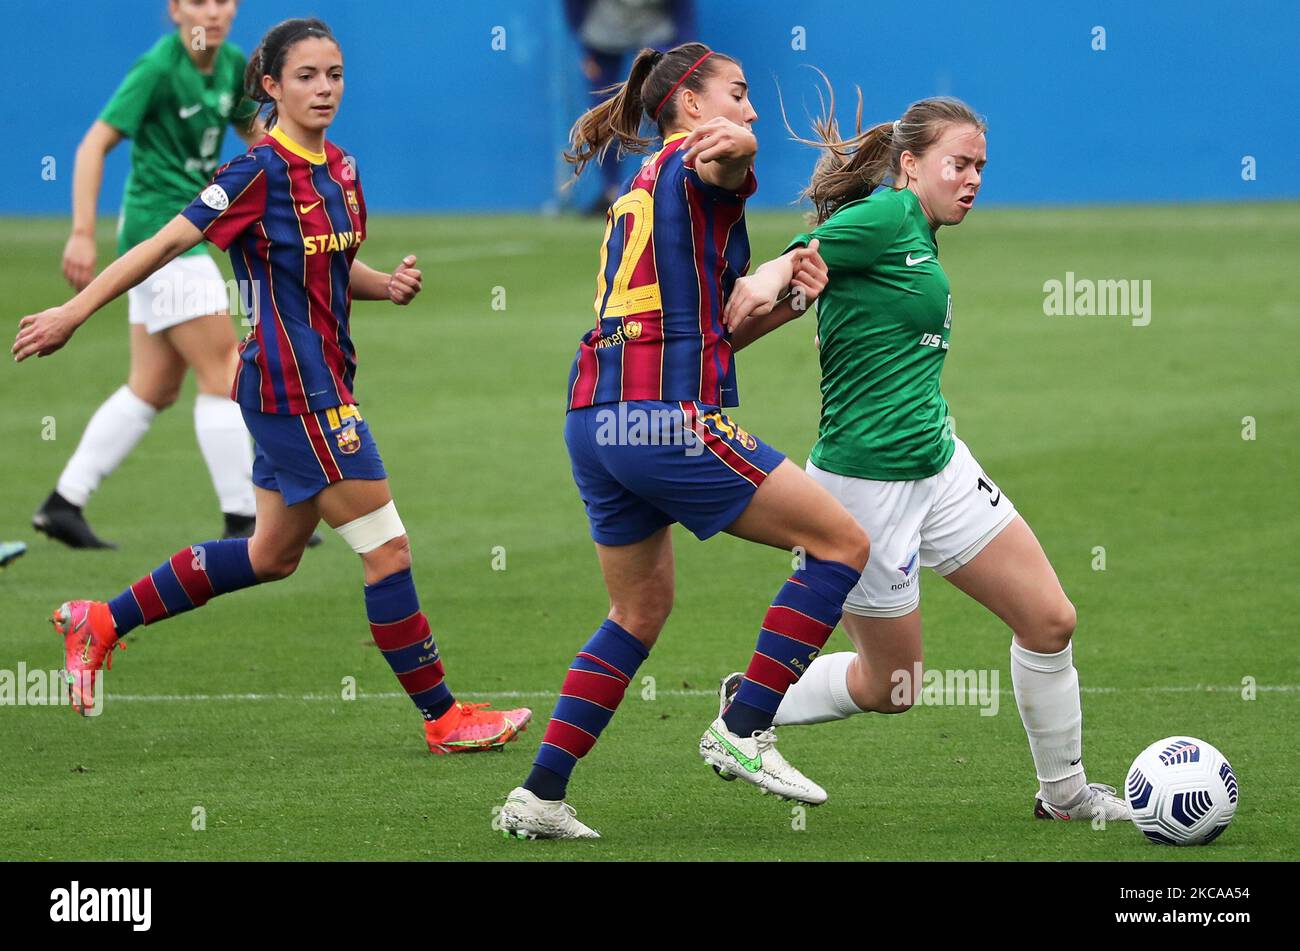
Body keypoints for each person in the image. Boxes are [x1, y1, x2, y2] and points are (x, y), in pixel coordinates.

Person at [13, 17, 530, 756]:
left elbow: (329, 264)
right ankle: (444, 717)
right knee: (387, 552)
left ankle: (99, 619)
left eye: (335, 74)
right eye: (307, 77)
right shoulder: (254, 173)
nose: (324, 89)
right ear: (270, 86)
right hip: (297, 392)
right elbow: (165, 242)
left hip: (309, 384)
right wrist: (73, 309)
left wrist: (388, 284)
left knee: (269, 556)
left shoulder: (342, 169)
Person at [720, 91, 1131, 823]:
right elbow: (800, 260)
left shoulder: (918, 230)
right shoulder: (884, 217)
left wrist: (787, 297)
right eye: (958, 164)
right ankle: (756, 702)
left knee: (1050, 620)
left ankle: (1065, 795)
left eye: (980, 167)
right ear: (910, 165)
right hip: (863, 489)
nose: (972, 179)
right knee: (893, 688)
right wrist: (765, 280)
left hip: (938, 466)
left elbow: (813, 287)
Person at [498, 43, 870, 840]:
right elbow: (729, 159)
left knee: (637, 610)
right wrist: (743, 148)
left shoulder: (638, 187)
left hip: (595, 418)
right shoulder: (702, 160)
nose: (751, 110)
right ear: (691, 106)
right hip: (663, 416)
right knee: (840, 545)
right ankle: (745, 725)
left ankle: (539, 792)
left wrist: (787, 301)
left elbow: (720, 332)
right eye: (738, 93)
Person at [35, 0, 276, 549]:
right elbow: (93, 144)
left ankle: (64, 502)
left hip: (178, 235)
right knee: (224, 366)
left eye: (222, 1)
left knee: (153, 387)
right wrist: (79, 230)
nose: (212, 12)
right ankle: (244, 518)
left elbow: (255, 136)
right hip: (159, 239)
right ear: (174, 10)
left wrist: (294, 167)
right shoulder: (159, 69)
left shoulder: (233, 62)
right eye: (198, 2)